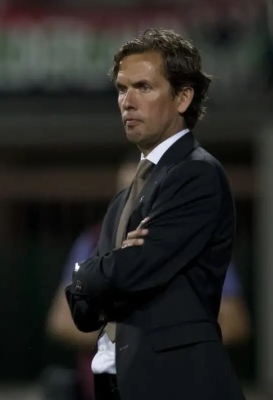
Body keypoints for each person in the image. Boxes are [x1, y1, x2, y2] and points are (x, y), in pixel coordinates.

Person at [64, 28, 246, 400]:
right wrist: (111, 268)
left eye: (144, 87)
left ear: (183, 97)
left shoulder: (196, 174)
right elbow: (82, 313)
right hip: (116, 385)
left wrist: (85, 273)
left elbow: (138, 268)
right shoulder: (123, 200)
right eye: (121, 89)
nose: (127, 102)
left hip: (179, 384)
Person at [46, 157, 251, 400]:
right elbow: (61, 322)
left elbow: (235, 323)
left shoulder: (199, 242)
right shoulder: (92, 242)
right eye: (127, 193)